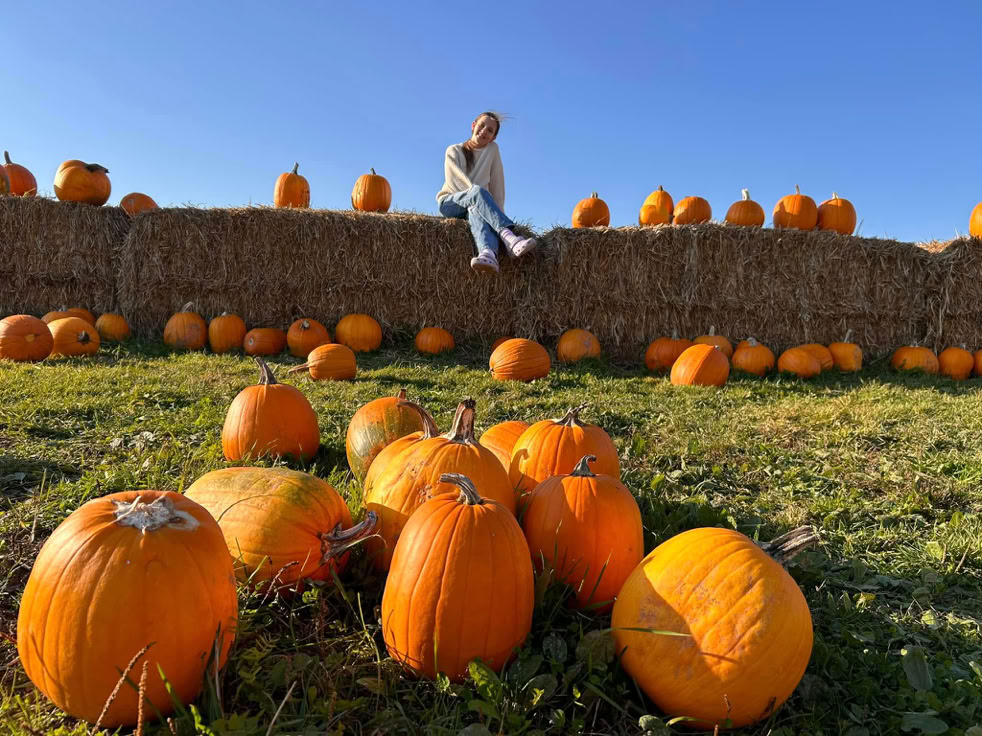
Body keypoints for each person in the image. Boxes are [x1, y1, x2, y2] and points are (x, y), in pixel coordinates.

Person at [436, 111, 536, 274]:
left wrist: (494, 213)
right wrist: (487, 208)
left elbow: (497, 184)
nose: (484, 131)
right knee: (476, 195)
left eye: (490, 130)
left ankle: (488, 254)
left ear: (493, 138)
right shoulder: (453, 150)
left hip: (476, 204)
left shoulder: (492, 150)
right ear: (473, 125)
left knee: (475, 209)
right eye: (482, 126)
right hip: (451, 202)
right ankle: (508, 237)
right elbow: (456, 182)